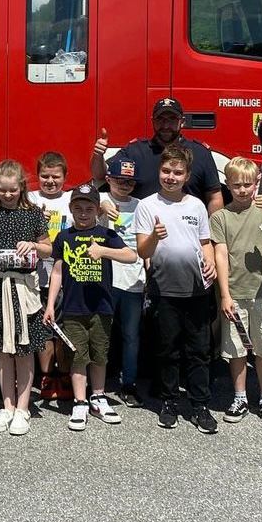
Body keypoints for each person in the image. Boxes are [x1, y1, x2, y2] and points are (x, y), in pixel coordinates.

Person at [133, 144, 219, 434]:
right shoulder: (147, 206)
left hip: (196, 289)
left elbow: (205, 242)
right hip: (164, 288)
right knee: (167, 349)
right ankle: (168, 402)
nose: (171, 176)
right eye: (166, 171)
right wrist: (155, 238)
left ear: (187, 175)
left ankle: (199, 405)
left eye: (177, 172)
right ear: (160, 171)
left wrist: (211, 265)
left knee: (199, 351)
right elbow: (142, 250)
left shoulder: (196, 205)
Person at [0, 160, 52, 436]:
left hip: (23, 288)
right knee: (1, 349)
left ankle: (23, 407)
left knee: (24, 349)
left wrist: (34, 245)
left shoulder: (33, 213)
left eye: (12, 190)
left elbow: (47, 249)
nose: (7, 195)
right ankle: (7, 405)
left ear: (21, 188)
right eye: (3, 190)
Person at [44, 183, 137, 431]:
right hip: (74, 307)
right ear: (71, 209)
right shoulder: (64, 237)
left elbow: (132, 256)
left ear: (97, 209)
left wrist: (104, 251)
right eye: (78, 208)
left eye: (89, 208)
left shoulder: (106, 235)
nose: (83, 213)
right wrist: (51, 305)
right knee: (77, 355)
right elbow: (57, 272)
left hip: (102, 306)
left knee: (99, 354)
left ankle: (98, 396)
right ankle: (80, 401)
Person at [212, 157, 262, 427]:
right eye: (236, 185)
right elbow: (220, 255)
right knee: (236, 349)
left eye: (247, 185)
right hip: (235, 291)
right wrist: (225, 295)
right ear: (228, 185)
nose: (242, 190)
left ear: (256, 184)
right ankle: (240, 395)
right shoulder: (220, 217)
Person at [91, 98, 223, 214]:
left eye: (172, 119)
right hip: (143, 231)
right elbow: (101, 176)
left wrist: (214, 236)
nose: (165, 125)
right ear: (153, 121)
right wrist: (98, 155)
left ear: (182, 121)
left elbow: (214, 197)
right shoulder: (135, 151)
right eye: (160, 119)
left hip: (186, 231)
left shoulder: (200, 153)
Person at [100, 156, 147, 407]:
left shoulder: (142, 205)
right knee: (100, 334)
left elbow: (147, 243)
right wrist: (100, 207)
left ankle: (128, 383)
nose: (124, 185)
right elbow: (79, 213)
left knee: (131, 335)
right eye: (119, 180)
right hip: (103, 278)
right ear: (108, 179)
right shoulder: (98, 200)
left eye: (129, 181)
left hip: (134, 279)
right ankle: (96, 382)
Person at [29, 150, 74, 399]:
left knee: (64, 327)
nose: (50, 181)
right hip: (37, 275)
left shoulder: (70, 198)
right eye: (45, 176)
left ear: (65, 177)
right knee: (43, 327)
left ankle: (64, 374)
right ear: (38, 176)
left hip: (65, 275)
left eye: (55, 176)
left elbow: (101, 202)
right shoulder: (29, 199)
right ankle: (46, 375)